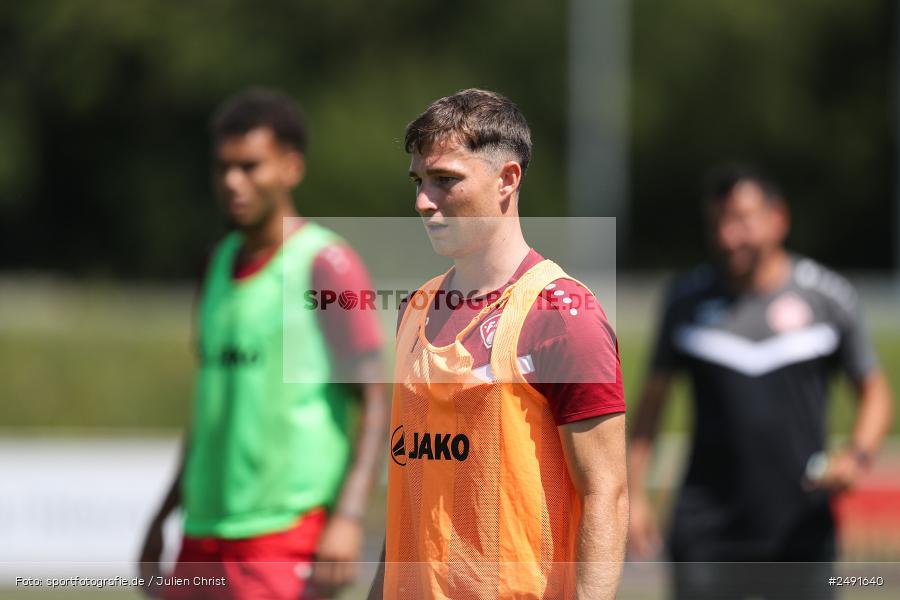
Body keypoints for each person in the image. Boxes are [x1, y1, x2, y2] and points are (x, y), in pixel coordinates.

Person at [367, 88, 628, 600]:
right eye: (419, 181)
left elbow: (607, 493)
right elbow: (408, 493)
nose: (424, 200)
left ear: (507, 180)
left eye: (446, 181)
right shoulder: (413, 310)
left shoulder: (560, 315)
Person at [138, 88, 388, 600]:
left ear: (291, 167)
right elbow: (210, 407)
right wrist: (164, 512)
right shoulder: (216, 263)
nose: (233, 182)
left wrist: (349, 515)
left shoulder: (325, 265)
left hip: (285, 531)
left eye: (250, 166)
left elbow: (376, 400)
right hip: (203, 530)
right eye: (223, 167)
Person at [627, 164, 895, 599]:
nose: (729, 236)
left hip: (799, 525)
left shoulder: (827, 298)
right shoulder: (686, 300)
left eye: (742, 220)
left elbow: (875, 391)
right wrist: (632, 495)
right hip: (706, 529)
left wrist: (858, 455)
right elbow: (651, 406)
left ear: (778, 218)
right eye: (719, 223)